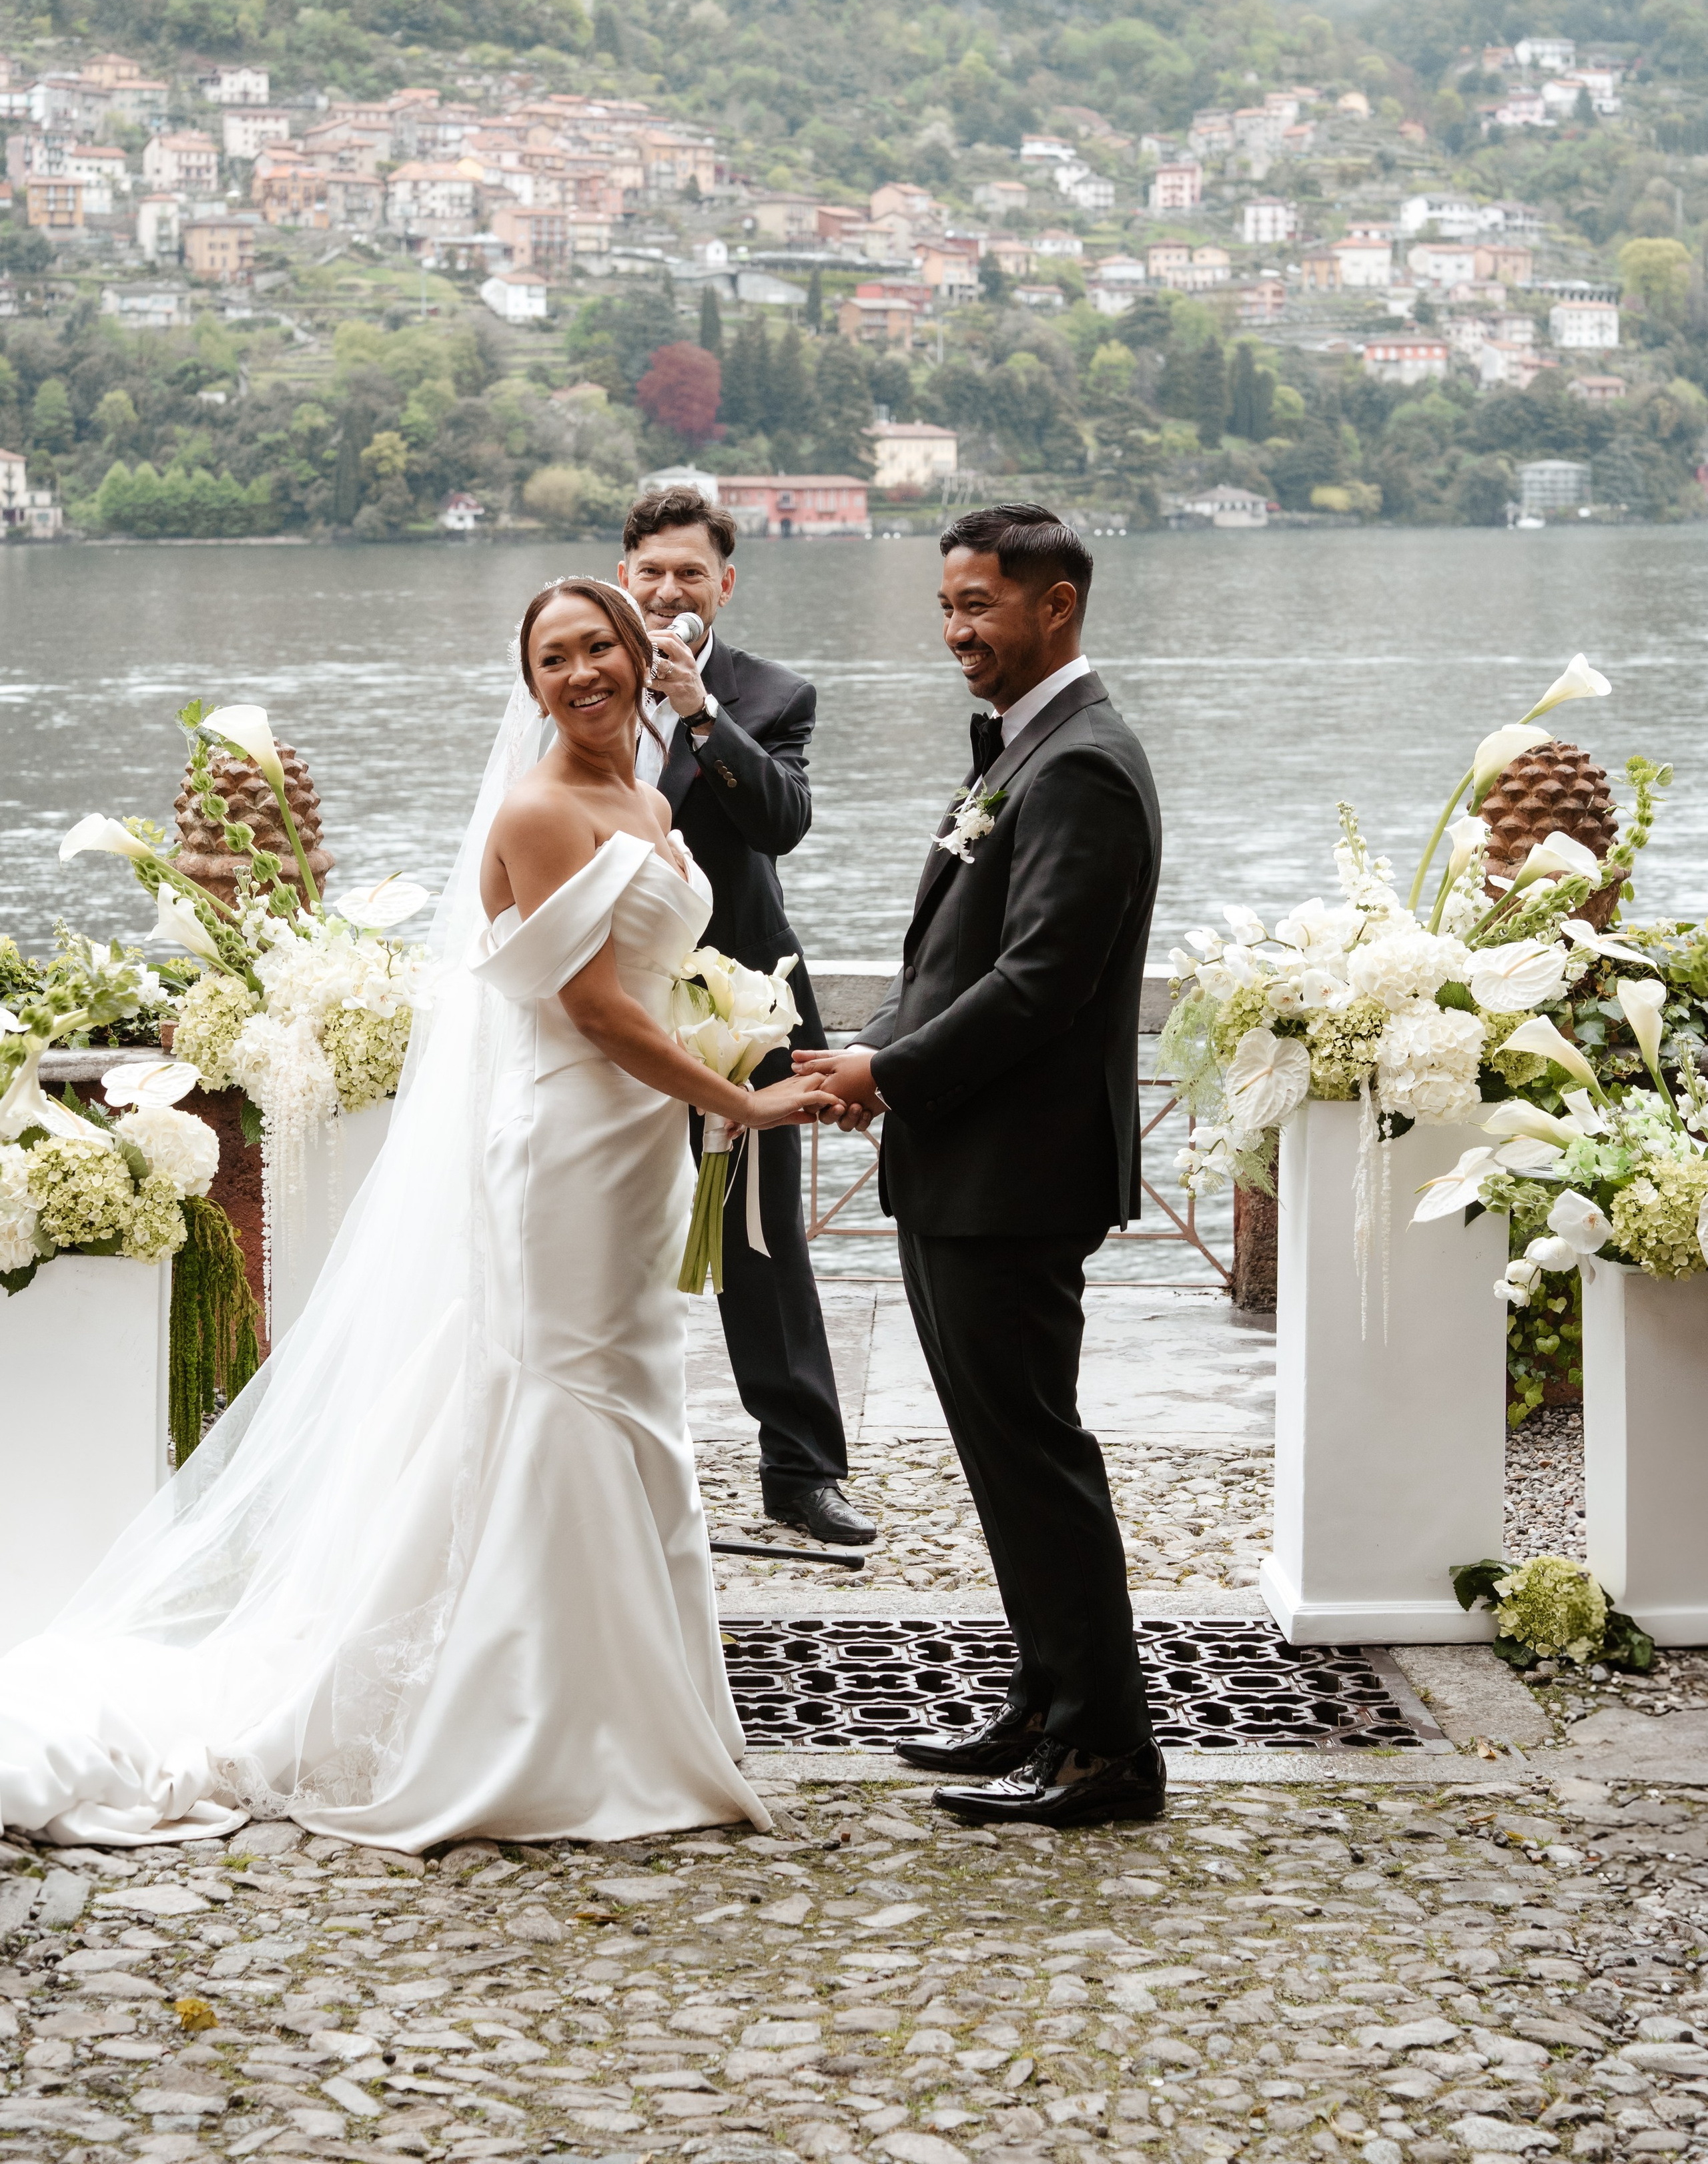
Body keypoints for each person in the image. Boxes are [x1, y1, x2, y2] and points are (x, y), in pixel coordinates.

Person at [0, 579, 834, 1849]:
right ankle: (546, 1726)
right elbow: (595, 1011)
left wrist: (713, 1047)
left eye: (596, 647)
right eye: (551, 659)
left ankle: (629, 1704)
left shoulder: (652, 800)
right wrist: (745, 1098)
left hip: (635, 1144)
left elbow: (653, 984)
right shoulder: (543, 807)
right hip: (570, 1141)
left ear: (638, 649)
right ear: (533, 682)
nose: (579, 675)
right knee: (565, 1391)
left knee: (621, 1391)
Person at [795, 504, 1166, 1829]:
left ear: (1053, 605)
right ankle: (1044, 1704)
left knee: (1032, 1453)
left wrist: (886, 1075)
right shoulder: (1029, 747)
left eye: (976, 607)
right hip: (969, 1163)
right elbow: (949, 964)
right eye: (946, 607)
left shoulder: (1078, 765)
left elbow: (1038, 984)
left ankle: (1105, 1757)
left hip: (1015, 1175)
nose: (954, 631)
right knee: (1002, 1452)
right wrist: (871, 1049)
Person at [618, 484, 873, 1549]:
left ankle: (800, 1471)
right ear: (623, 576)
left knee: (760, 1238)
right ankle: (614, 1465)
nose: (669, 589)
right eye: (651, 572)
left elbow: (782, 820)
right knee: (603, 1224)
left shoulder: (770, 693)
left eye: (689, 572)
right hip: (610, 1000)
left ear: (724, 583)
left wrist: (697, 714)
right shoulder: (575, 679)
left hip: (742, 1004)